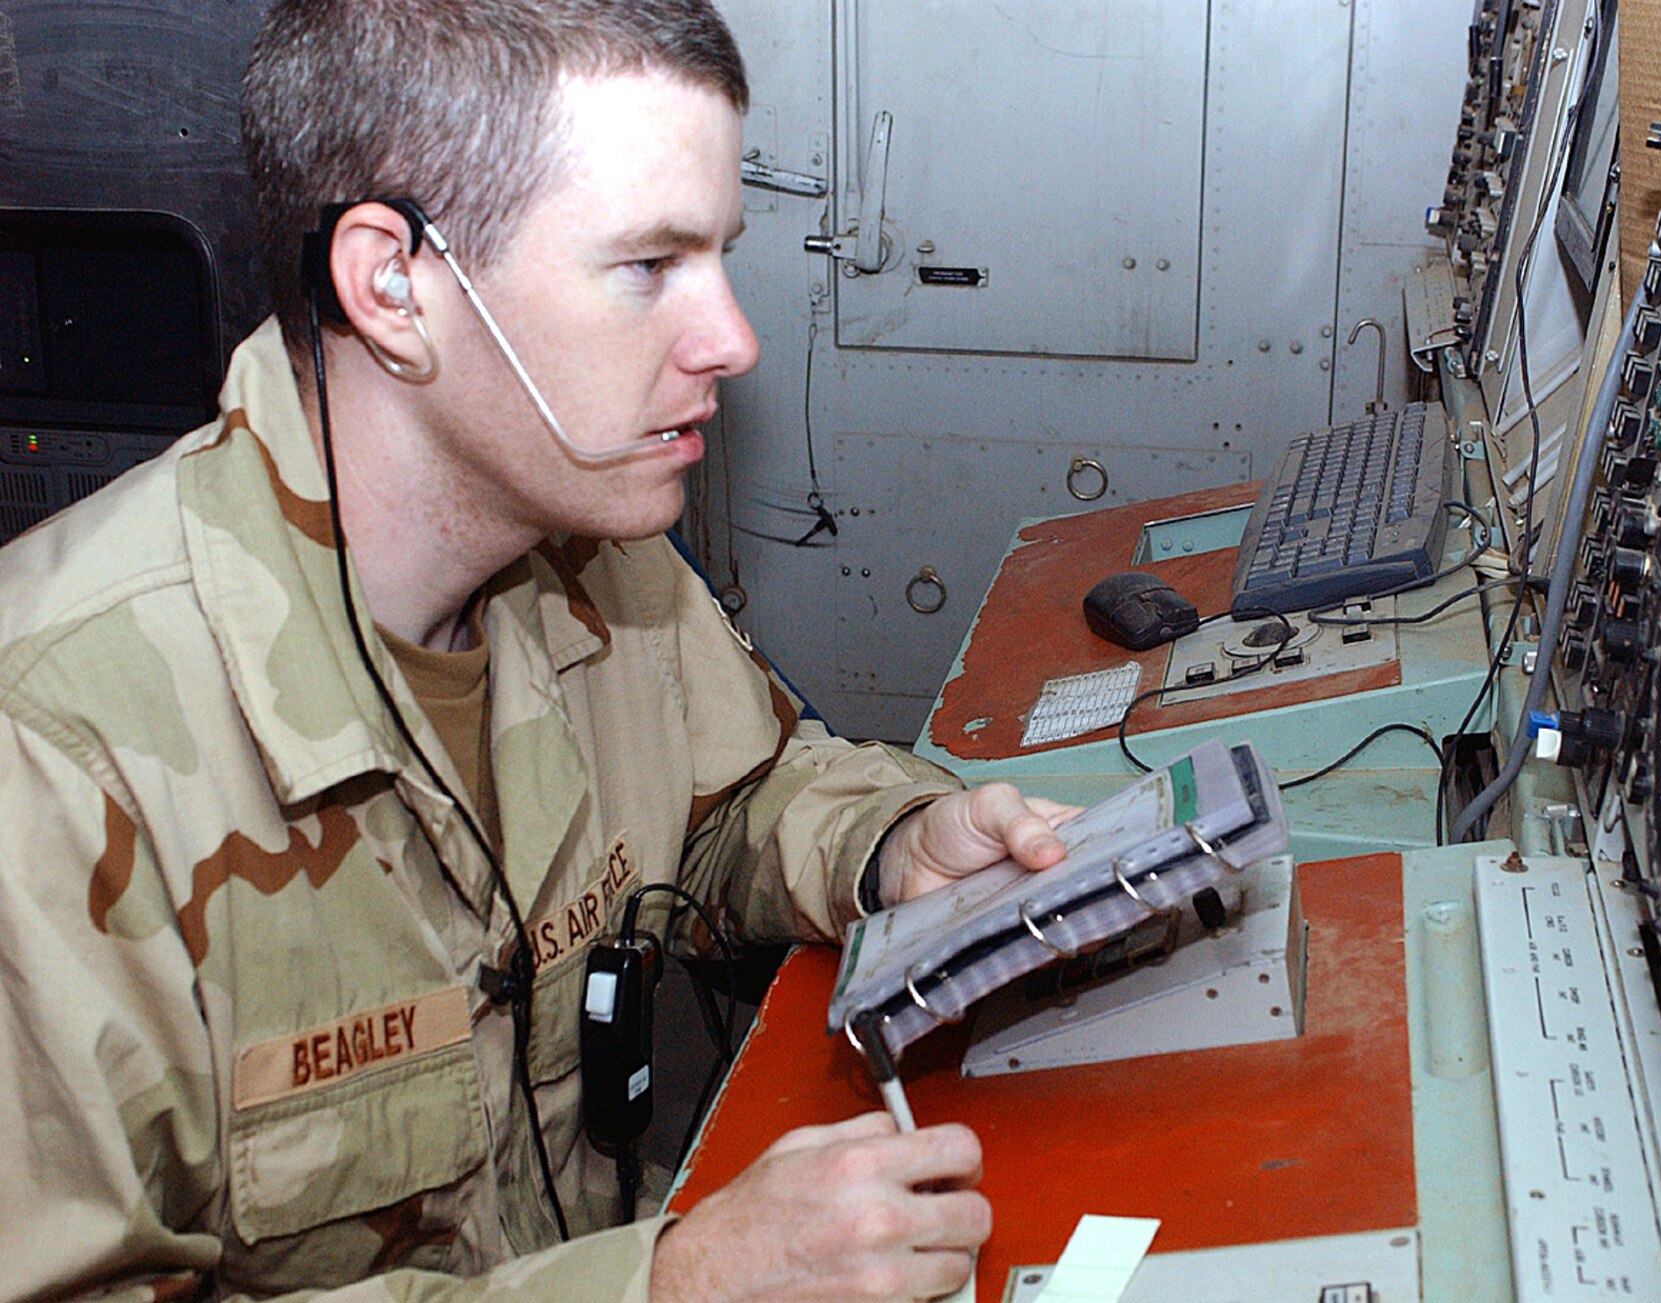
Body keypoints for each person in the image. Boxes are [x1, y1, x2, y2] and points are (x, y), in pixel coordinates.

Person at [0, 1, 1074, 1299]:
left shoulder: (594, 552)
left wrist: (891, 846)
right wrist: (668, 1287)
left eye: (719, 258)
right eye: (645, 267)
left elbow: (740, 795)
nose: (731, 338)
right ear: (392, 284)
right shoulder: (50, 747)